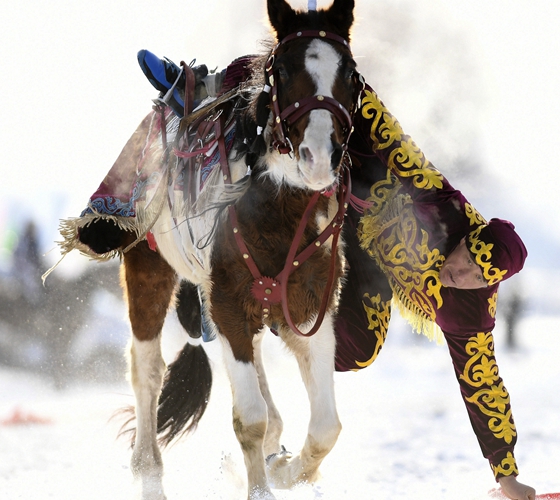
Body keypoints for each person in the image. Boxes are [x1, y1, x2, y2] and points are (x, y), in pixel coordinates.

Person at [139, 52, 538, 499]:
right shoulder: (435, 199)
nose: (455, 273)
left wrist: (507, 476)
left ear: (488, 287)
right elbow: (383, 126)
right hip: (337, 195)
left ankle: (263, 313)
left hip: (370, 271)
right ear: (466, 236)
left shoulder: (471, 311)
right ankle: (201, 84)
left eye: (468, 278)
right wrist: (337, 74)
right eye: (462, 259)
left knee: (357, 351)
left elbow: (482, 381)